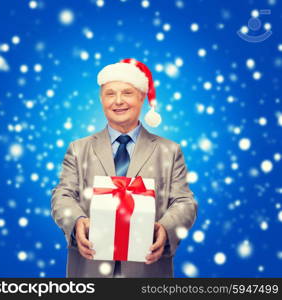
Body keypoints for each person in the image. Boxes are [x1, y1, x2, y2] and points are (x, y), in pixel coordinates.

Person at [51, 58, 198, 278]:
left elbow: (185, 202)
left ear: (142, 97)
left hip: (147, 269)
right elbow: (62, 195)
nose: (118, 101)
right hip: (90, 268)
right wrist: (76, 222)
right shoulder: (78, 149)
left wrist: (165, 229)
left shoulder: (169, 151)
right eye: (110, 94)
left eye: (127, 93)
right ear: (101, 100)